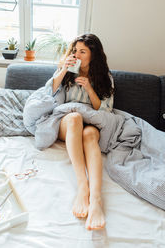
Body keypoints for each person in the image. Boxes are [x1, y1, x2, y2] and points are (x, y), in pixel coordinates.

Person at [52, 34, 114, 230]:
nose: (77, 55)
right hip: (68, 120)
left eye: (82, 52)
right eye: (75, 50)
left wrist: (88, 87)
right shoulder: (67, 70)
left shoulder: (105, 78)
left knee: (89, 135)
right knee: (75, 118)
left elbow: (104, 110)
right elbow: (51, 92)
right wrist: (63, 69)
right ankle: (83, 187)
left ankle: (96, 200)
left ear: (93, 55)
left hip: (91, 121)